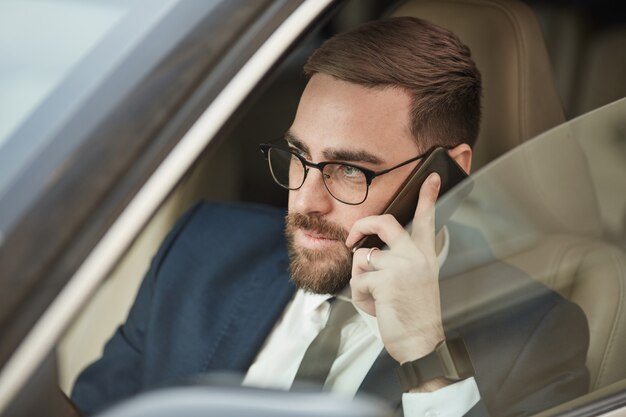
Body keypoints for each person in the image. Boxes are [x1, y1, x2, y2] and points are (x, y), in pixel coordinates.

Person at [71, 16, 589, 416]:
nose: (306, 201)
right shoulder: (200, 248)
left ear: (447, 174)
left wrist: (426, 357)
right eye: (299, 157)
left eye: (348, 170)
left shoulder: (534, 334)